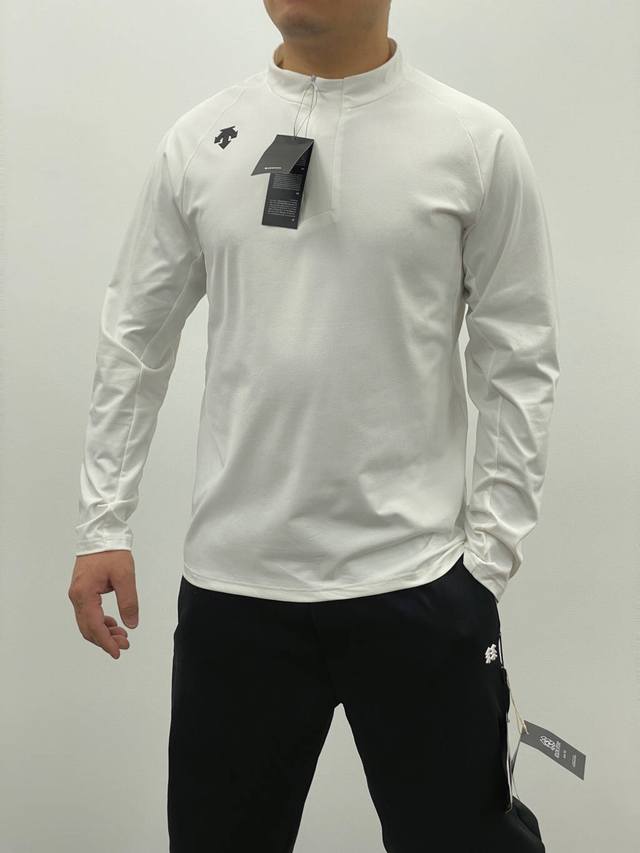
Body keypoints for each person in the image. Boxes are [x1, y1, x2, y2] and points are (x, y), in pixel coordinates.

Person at [68, 1, 559, 850]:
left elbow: (519, 358)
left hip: (418, 584)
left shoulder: (474, 144)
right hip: (235, 592)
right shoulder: (201, 141)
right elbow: (134, 338)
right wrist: (102, 521)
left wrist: (487, 561)